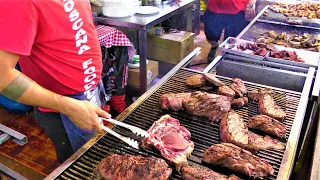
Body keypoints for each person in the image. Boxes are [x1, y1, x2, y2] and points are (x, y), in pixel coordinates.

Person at [0, 0, 111, 164]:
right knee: (86, 166)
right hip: (66, 108)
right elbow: (2, 75)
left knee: (101, 155)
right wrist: (67, 106)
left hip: (91, 90)